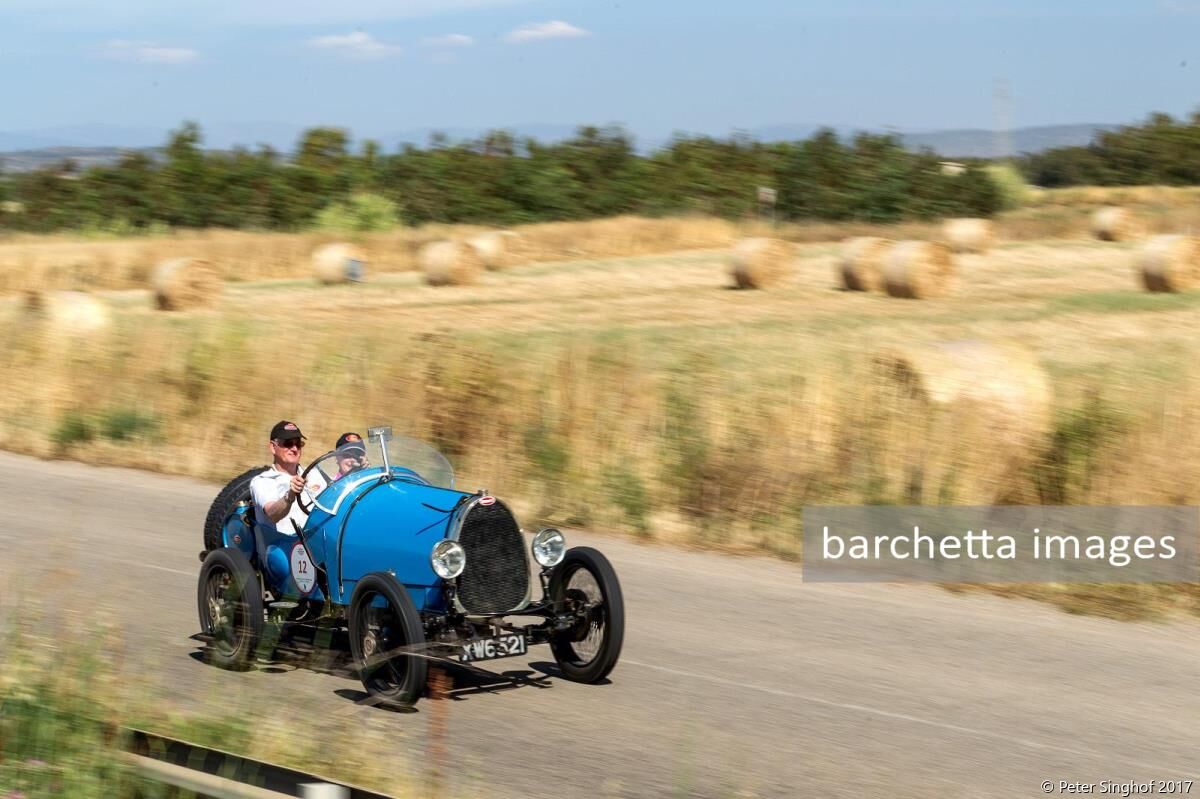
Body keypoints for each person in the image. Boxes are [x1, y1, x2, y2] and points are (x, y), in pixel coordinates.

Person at [249, 421, 326, 583]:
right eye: (288, 443)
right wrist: (290, 495)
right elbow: (272, 513)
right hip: (285, 552)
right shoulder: (263, 481)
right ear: (273, 447)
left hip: (320, 542)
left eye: (298, 444)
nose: (294, 448)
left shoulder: (315, 474)